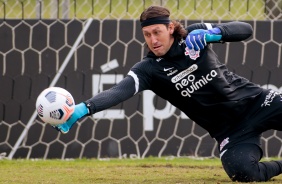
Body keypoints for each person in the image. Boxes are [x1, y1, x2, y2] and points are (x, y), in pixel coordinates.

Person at [52, 5, 282, 182]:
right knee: (242, 173)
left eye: (157, 32)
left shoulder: (194, 36)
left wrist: (215, 32)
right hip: (230, 131)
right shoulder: (148, 70)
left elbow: (246, 30)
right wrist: (84, 109)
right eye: (147, 34)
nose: (153, 40)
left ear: (170, 28)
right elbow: (118, 91)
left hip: (258, 102)